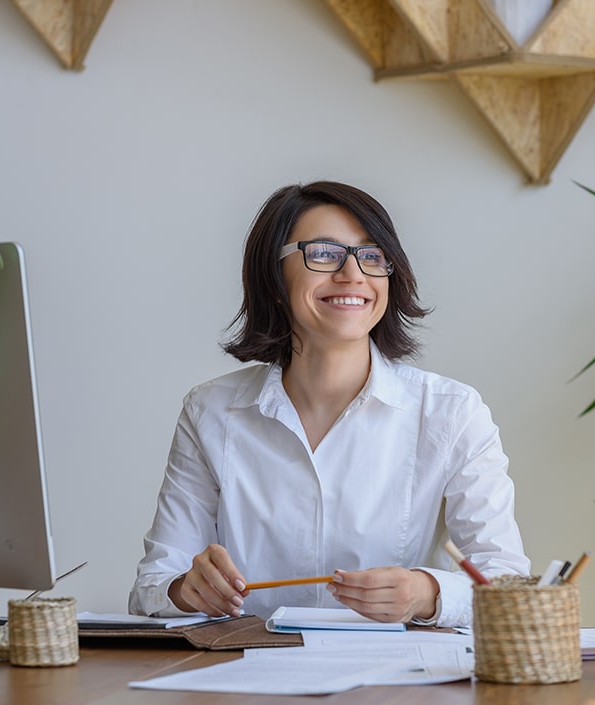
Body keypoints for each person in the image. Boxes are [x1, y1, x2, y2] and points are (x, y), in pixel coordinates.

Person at [129, 181, 529, 628]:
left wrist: (427, 593)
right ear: (274, 278)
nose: (353, 274)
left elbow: (507, 582)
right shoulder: (210, 411)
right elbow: (153, 586)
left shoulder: (452, 412)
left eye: (372, 256)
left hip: (394, 683)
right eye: (323, 253)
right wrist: (187, 589)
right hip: (248, 678)